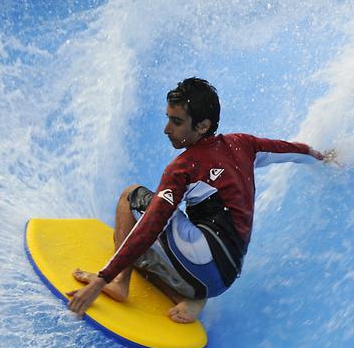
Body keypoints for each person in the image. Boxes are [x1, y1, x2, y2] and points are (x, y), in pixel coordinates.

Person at [67, 77, 333, 324]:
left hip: (200, 265)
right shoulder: (245, 145)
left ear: (203, 125)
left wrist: (102, 279)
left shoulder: (183, 168)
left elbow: (152, 224)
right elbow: (293, 151)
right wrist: (323, 157)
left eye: (177, 122)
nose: (166, 129)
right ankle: (188, 297)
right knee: (137, 243)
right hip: (225, 277)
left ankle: (119, 283)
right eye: (168, 118)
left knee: (130, 197)